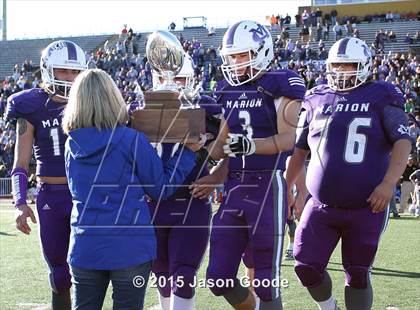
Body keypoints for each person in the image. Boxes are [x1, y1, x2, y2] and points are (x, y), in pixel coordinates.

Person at [286, 37, 413, 310]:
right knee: (305, 265)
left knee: (356, 273)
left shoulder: (381, 95)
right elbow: (299, 151)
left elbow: (403, 141)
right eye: (337, 66)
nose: (343, 71)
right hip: (320, 205)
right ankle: (328, 307)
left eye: (350, 65)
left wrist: (389, 183)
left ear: (365, 66)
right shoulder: (316, 97)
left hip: (367, 206)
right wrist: (288, 188)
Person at [62, 68, 203, 310]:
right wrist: (187, 152)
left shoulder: (70, 143)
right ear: (112, 98)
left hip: (85, 245)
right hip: (130, 246)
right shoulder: (130, 139)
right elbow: (161, 189)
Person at [192, 20, 306, 310]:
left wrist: (251, 146)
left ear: (262, 51)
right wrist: (199, 137)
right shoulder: (227, 90)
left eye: (243, 55)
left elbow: (288, 139)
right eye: (233, 56)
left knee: (266, 281)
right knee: (218, 277)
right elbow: (221, 145)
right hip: (235, 187)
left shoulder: (280, 83)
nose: (236, 62)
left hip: (267, 184)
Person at [136, 53, 222, 310]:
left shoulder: (207, 108)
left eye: (180, 78)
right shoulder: (139, 111)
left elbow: (233, 150)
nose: (173, 84)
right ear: (155, 78)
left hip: (191, 202)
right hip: (152, 204)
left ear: (192, 79)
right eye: (164, 78)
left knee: (183, 275)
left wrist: (217, 176)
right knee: (160, 272)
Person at [5, 40, 87, 310]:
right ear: (49, 70)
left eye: (76, 72)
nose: (71, 77)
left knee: (89, 271)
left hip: (87, 196)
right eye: (64, 70)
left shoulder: (92, 103)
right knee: (60, 275)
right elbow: (20, 163)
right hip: (52, 196)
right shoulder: (30, 106)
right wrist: (19, 202)